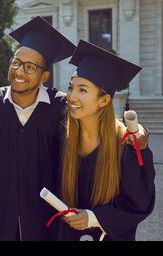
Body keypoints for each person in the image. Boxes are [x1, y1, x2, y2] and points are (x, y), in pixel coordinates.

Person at [0, 16, 76, 240]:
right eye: (16, 62)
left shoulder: (59, 108)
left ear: (45, 76)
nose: (19, 72)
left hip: (44, 221)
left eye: (30, 67)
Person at [54, 40, 155, 241]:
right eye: (71, 87)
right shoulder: (63, 138)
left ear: (104, 100)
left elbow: (138, 203)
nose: (71, 96)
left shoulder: (126, 146)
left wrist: (93, 218)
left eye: (82, 90)